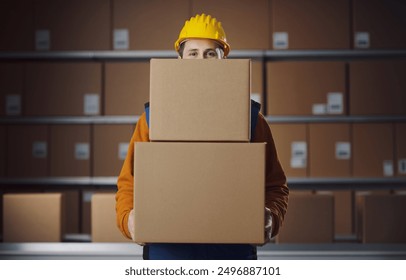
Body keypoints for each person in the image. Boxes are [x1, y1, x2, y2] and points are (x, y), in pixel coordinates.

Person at [116, 13, 289, 260]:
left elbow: (275, 187)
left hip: (231, 256)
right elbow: (128, 185)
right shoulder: (153, 119)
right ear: (180, 59)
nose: (201, 61)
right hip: (168, 255)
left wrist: (270, 218)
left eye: (211, 54)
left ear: (223, 60)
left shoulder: (251, 120)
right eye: (193, 53)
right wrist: (129, 219)